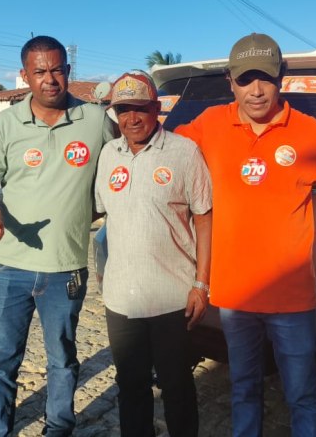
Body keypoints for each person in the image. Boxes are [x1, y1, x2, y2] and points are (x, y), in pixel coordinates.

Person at [175, 33, 316, 437]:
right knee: (243, 388)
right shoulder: (209, 124)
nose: (255, 91)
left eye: (266, 79)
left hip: (291, 299)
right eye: (245, 80)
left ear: (282, 77)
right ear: (229, 81)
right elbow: (159, 149)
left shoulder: (309, 133)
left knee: (303, 394)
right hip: (234, 295)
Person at [0, 35, 114, 437]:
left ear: (67, 72)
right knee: (1, 363)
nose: (49, 79)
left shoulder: (94, 120)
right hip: (9, 267)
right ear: (25, 75)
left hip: (65, 268)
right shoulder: (7, 122)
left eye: (56, 69)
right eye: (39, 71)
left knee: (63, 361)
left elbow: (122, 166)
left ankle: (58, 429)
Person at [95, 71, 213, 437]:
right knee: (130, 386)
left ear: (157, 108)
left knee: (176, 386)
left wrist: (201, 284)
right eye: (123, 110)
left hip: (171, 296)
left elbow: (204, 218)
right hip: (120, 297)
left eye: (140, 109)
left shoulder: (183, 151)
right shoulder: (108, 154)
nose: (132, 118)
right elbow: (106, 215)